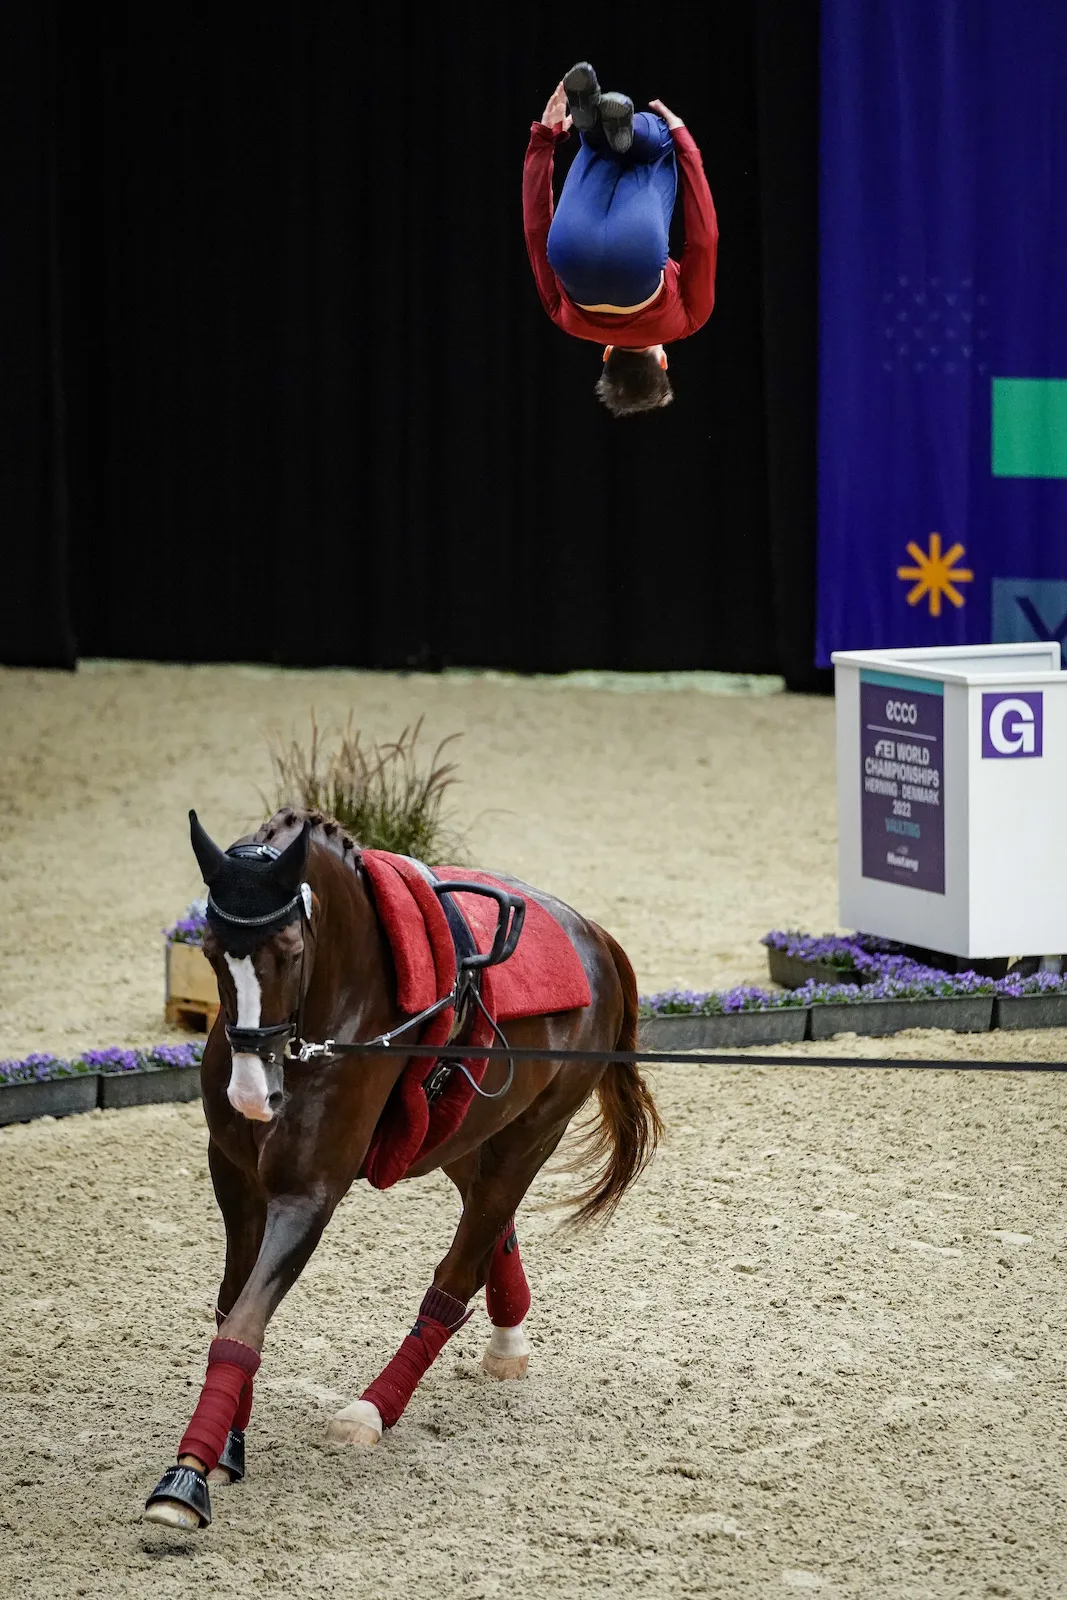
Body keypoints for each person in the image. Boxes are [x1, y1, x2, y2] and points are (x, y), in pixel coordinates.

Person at [522, 63, 719, 418]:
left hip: (638, 254)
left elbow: (704, 240)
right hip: (569, 250)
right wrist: (544, 139)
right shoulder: (563, 319)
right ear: (607, 354)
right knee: (600, 149)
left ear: (662, 360)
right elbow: (536, 230)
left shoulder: (687, 322)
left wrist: (686, 144)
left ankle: (629, 126)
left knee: (659, 143)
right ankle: (599, 123)